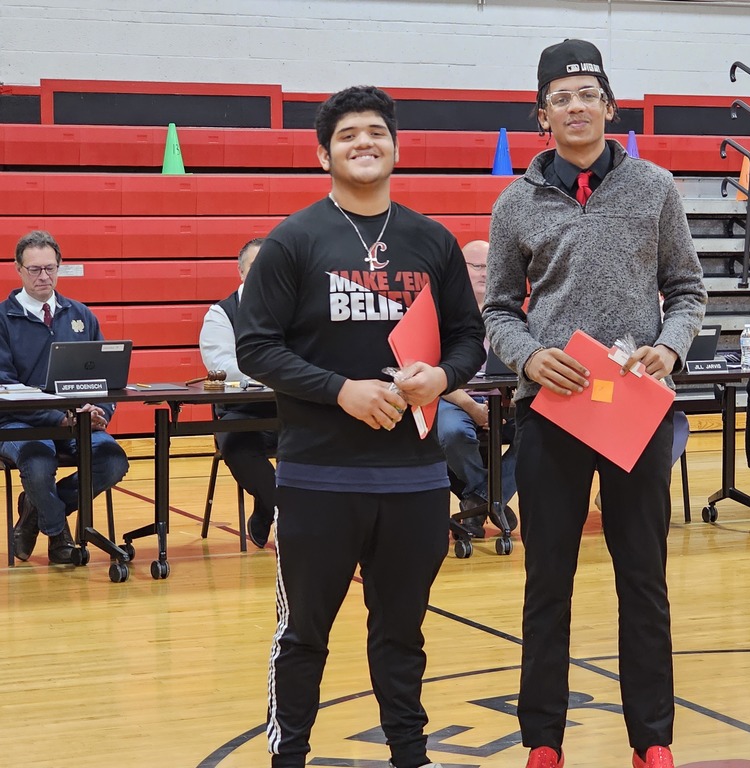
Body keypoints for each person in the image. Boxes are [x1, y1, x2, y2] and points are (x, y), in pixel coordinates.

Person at [234, 86, 485, 768]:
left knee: (402, 634)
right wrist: (341, 391)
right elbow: (255, 348)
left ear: (396, 148)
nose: (364, 142)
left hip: (415, 479)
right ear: (324, 154)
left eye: (376, 131)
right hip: (318, 476)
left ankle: (411, 755)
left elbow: (470, 338)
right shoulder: (293, 241)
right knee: (303, 636)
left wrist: (442, 377)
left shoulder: (432, 242)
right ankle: (289, 757)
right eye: (347, 135)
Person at [484, 39, 708, 768]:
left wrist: (669, 347)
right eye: (561, 97)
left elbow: (688, 290)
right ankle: (543, 741)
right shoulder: (515, 203)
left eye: (587, 95)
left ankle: (653, 740)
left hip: (635, 408)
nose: (575, 106)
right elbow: (497, 310)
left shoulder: (655, 188)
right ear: (541, 115)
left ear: (610, 107)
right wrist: (527, 356)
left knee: (643, 576)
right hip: (551, 411)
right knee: (546, 580)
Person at [2, 230, 130, 565]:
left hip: (77, 420)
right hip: (18, 423)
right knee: (39, 463)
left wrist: (101, 412)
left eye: (50, 268)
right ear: (18, 269)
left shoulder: (81, 315)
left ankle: (34, 512)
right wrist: (56, 417)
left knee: (113, 460)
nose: (43, 276)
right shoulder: (2, 319)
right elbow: (4, 385)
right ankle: (58, 534)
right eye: (34, 269)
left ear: (59, 267)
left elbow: (106, 378)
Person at [199, 237, 278, 548]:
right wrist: (279, 372)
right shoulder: (221, 314)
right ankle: (277, 508)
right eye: (256, 267)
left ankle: (267, 511)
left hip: (288, 409)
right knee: (238, 447)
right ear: (241, 272)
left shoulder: (294, 310)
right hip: (239, 413)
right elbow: (223, 367)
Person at [437, 239, 517, 537]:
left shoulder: (510, 314)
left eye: (489, 265)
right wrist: (472, 407)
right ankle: (491, 498)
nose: (485, 272)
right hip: (455, 399)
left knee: (540, 433)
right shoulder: (440, 313)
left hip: (503, 400)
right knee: (452, 433)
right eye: (477, 266)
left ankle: (479, 500)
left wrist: (509, 402)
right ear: (460, 268)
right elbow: (434, 372)